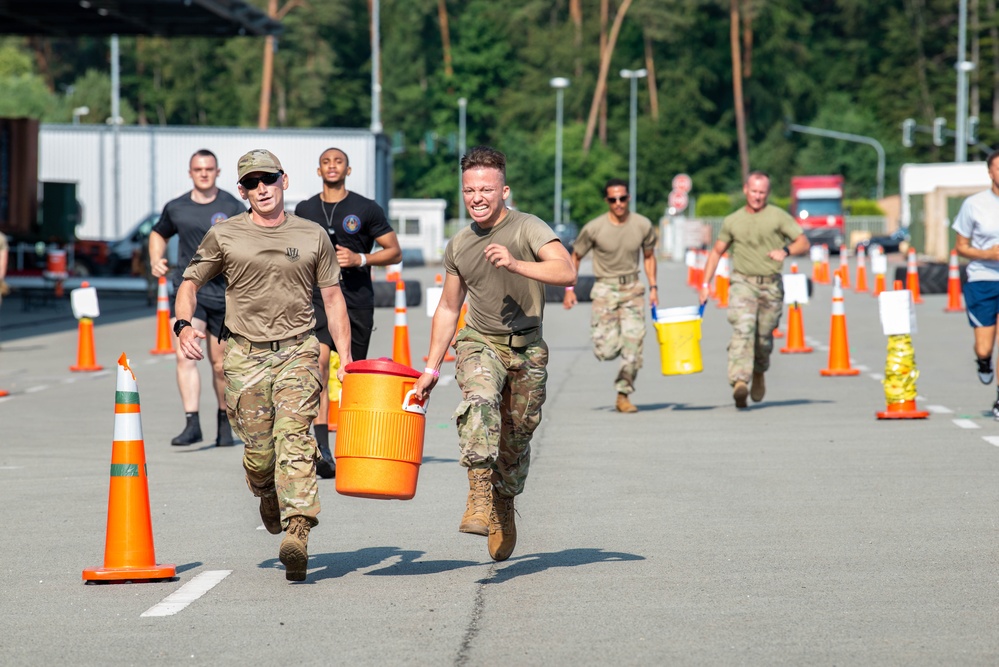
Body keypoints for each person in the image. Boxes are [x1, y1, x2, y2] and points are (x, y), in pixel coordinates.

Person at [175, 149, 352, 582]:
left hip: (298, 350)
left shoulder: (312, 235)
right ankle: (266, 492)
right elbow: (190, 283)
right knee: (259, 455)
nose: (262, 189)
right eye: (252, 183)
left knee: (294, 438)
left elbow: (332, 300)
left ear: (284, 181)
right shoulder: (225, 235)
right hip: (244, 354)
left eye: (268, 179)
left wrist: (347, 360)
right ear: (242, 191)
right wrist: (182, 325)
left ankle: (298, 531)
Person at [414, 146, 576, 562]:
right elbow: (449, 308)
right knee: (479, 403)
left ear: (505, 190)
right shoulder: (461, 244)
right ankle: (480, 494)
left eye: (486, 189)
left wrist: (516, 264)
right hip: (479, 342)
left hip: (528, 349)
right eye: (470, 190)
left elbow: (566, 270)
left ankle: (504, 500)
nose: (478, 197)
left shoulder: (529, 228)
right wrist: (430, 368)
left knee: (517, 436)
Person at [294, 147, 401, 478]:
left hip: (356, 299)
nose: (331, 166)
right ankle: (323, 449)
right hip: (317, 299)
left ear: (348, 169)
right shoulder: (304, 208)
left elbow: (394, 251)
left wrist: (361, 259)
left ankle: (353, 446)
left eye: (337, 161)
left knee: (352, 373)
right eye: (325, 161)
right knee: (320, 366)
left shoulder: (365, 208)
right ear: (318, 170)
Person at [149, 149, 246, 447]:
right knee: (185, 355)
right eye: (198, 169)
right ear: (190, 173)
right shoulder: (176, 207)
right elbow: (158, 233)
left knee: (220, 365)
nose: (203, 173)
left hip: (225, 295)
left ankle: (223, 423)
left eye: (209, 169)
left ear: (217, 172)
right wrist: (156, 258)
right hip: (190, 292)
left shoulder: (232, 205)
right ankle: (192, 423)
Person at [699, 171, 808, 409]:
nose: (757, 196)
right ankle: (740, 381)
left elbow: (802, 241)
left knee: (763, 338)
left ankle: (759, 371)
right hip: (742, 283)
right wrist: (705, 284)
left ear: (767, 193)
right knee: (743, 329)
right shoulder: (732, 220)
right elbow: (717, 251)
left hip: (770, 285)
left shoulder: (778, 217)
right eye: (754, 191)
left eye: (762, 192)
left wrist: (786, 251)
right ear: (745, 190)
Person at [563, 178, 658, 413]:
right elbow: (575, 256)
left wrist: (654, 287)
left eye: (623, 198)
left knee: (634, 345)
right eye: (613, 199)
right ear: (607, 200)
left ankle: (623, 393)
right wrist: (569, 289)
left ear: (629, 198)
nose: (618, 203)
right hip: (605, 289)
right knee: (606, 350)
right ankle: (615, 346)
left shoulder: (643, 225)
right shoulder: (594, 228)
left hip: (632, 289)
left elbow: (648, 256)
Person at [953, 149, 999, 419]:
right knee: (985, 346)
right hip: (982, 278)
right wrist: (988, 254)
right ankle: (983, 363)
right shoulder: (974, 204)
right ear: (989, 172)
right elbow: (961, 247)